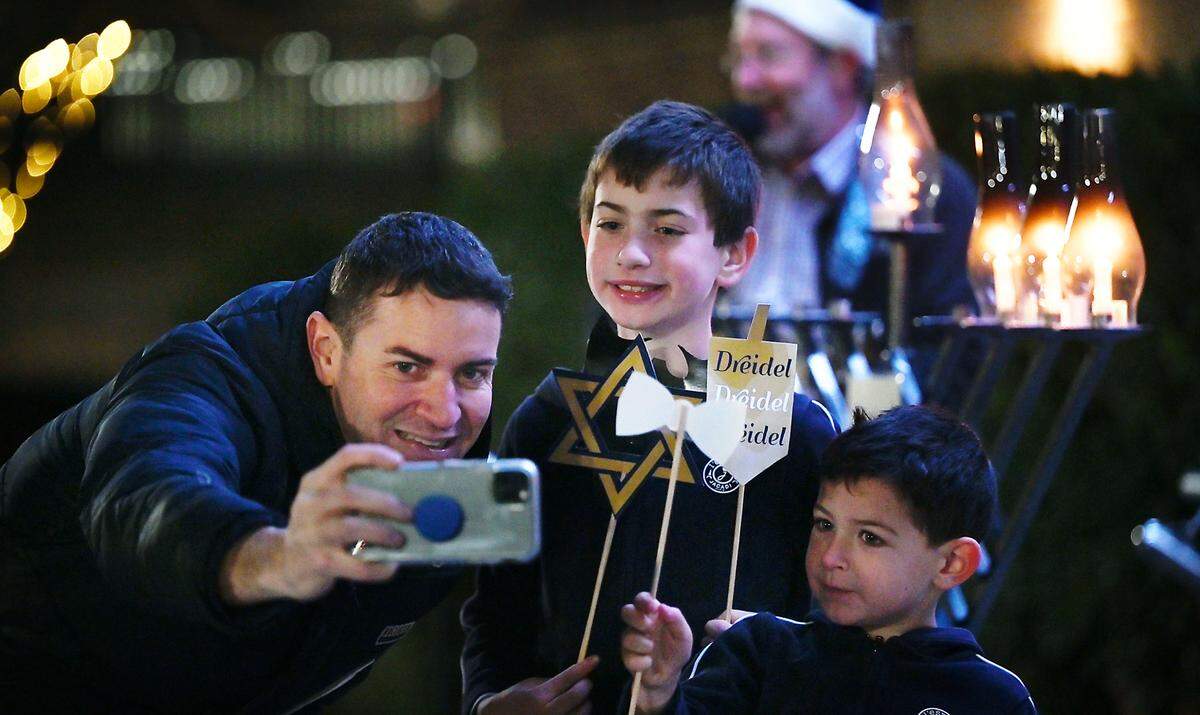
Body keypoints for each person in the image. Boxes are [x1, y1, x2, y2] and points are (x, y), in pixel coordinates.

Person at [0, 212, 512, 713]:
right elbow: (144, 500)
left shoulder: (451, 476)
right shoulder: (202, 377)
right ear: (326, 349)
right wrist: (279, 557)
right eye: (406, 367)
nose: (444, 412)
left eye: (472, 374)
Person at [460, 100, 838, 715]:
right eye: (610, 224)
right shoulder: (549, 419)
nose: (631, 253)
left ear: (735, 255)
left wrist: (782, 650)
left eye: (666, 229)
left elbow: (834, 615)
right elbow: (496, 612)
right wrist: (489, 703)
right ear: (585, 234)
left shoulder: (794, 431)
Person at [620, 405, 1037, 714]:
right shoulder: (759, 652)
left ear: (951, 564)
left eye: (870, 537)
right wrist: (657, 696)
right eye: (823, 525)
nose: (832, 556)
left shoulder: (993, 697)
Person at [722, 0, 976, 323]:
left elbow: (948, 354)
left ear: (844, 67)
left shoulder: (921, 189)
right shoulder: (723, 177)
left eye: (768, 55)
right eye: (738, 58)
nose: (745, 81)